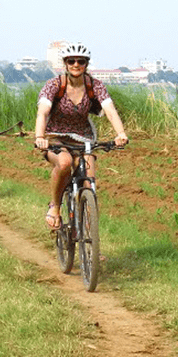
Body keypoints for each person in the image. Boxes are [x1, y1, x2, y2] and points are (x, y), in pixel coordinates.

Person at [33, 42, 128, 230]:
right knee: (65, 163)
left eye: (81, 61)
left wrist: (121, 133)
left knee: (89, 180)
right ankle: (55, 206)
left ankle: (90, 242)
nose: (76, 65)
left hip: (83, 138)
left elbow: (110, 110)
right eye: (71, 61)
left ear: (86, 64)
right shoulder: (54, 85)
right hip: (55, 137)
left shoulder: (95, 86)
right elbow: (43, 112)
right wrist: (39, 136)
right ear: (65, 63)